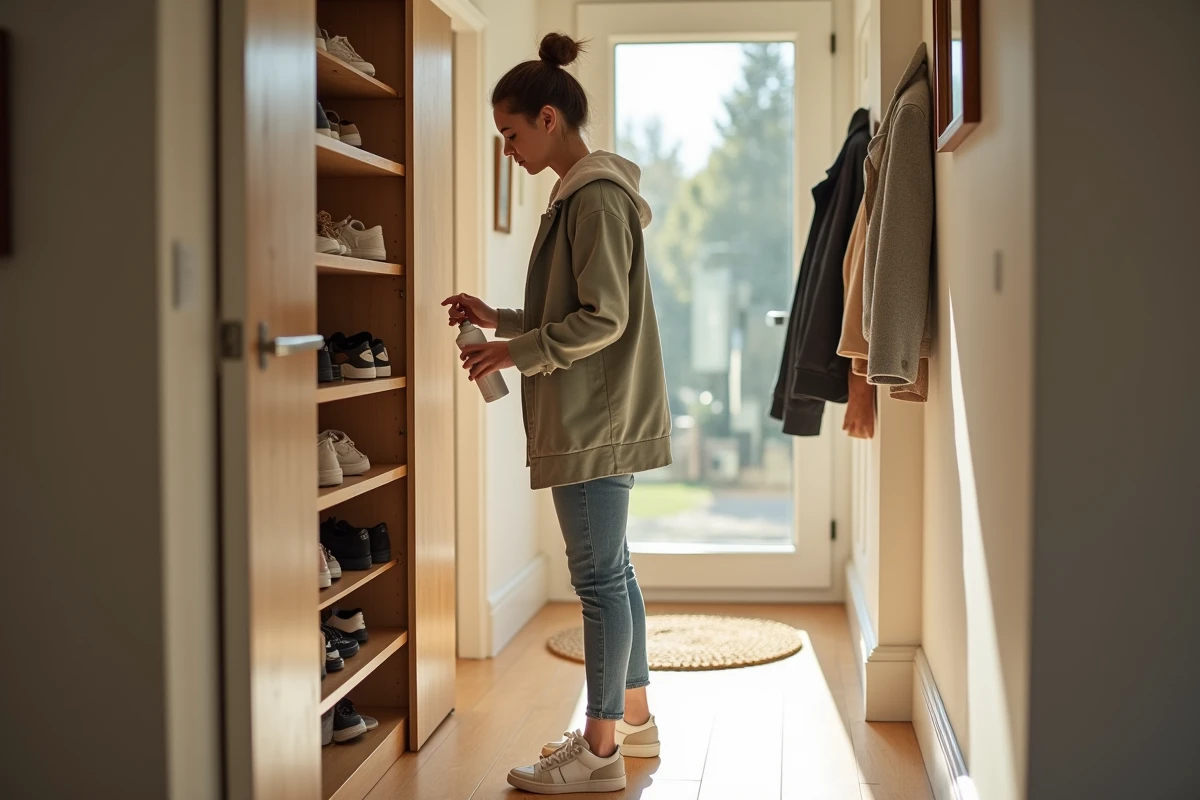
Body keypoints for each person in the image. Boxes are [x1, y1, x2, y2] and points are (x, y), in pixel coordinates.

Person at [442, 31, 673, 796]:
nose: (507, 150)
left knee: (598, 580)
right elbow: (564, 312)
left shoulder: (595, 198)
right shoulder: (579, 194)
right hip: (592, 412)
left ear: (548, 118)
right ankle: (633, 721)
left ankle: (600, 749)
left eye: (510, 134)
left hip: (592, 418)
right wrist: (501, 319)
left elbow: (602, 320)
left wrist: (511, 352)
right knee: (615, 572)